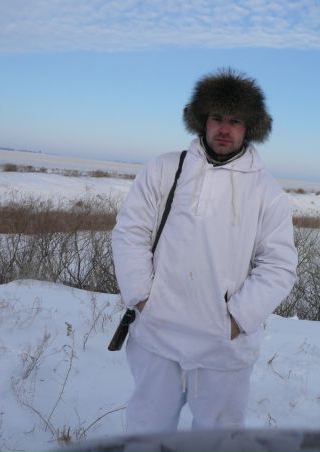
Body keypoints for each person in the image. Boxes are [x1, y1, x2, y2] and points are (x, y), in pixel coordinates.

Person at [111, 68, 297, 433]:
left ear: (249, 128)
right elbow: (130, 232)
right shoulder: (165, 170)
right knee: (147, 432)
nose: (224, 128)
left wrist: (237, 319)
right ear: (202, 120)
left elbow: (279, 265)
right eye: (217, 118)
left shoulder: (267, 192)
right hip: (157, 336)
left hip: (223, 349)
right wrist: (143, 298)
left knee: (218, 438)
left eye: (235, 120)